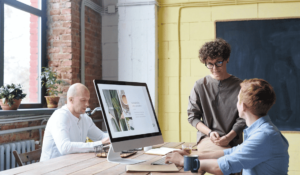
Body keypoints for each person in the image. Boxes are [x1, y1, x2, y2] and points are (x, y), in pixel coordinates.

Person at [166, 78, 289, 175]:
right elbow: (230, 153)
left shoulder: (264, 136)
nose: (236, 103)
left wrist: (183, 161)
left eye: (237, 99)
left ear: (243, 106)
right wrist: (190, 155)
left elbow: (220, 167)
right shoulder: (260, 131)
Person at [188, 38, 246, 156]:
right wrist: (210, 133)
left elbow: (243, 118)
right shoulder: (200, 85)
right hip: (207, 138)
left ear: (227, 59)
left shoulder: (240, 86)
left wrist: (229, 137)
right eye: (210, 64)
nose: (214, 68)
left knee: (236, 165)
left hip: (233, 139)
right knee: (225, 160)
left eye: (219, 62)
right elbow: (193, 117)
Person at [40, 83, 110, 161]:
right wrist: (99, 144)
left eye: (88, 100)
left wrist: (118, 138)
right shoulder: (60, 116)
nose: (87, 104)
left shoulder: (85, 118)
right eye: (83, 100)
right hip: (51, 169)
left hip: (71, 164)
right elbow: (65, 147)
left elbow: (101, 137)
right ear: (71, 100)